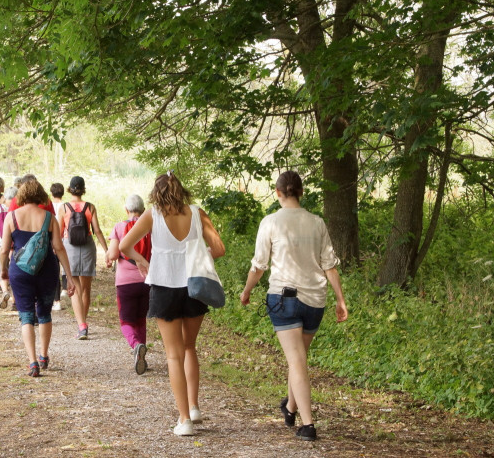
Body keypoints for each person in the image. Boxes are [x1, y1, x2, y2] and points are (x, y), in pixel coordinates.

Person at [240, 170, 348, 442]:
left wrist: (246, 290)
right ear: (301, 192)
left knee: (297, 360)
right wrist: (340, 299)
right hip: (315, 301)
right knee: (297, 357)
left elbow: (259, 265)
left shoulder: (271, 222)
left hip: (284, 299)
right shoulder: (317, 222)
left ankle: (308, 425)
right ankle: (289, 408)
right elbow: (329, 265)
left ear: (278, 193)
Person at [120, 172, 224, 436]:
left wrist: (142, 262)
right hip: (195, 287)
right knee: (190, 347)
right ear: (182, 190)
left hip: (165, 287)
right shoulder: (198, 213)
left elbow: (124, 245)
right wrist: (200, 254)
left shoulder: (152, 215)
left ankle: (184, 420)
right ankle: (195, 406)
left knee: (173, 355)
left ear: (157, 193)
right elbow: (220, 248)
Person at [0, 178, 76, 377]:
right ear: (41, 195)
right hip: (47, 270)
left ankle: (32, 361)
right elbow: (58, 248)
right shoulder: (50, 218)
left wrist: (3, 271)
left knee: (26, 316)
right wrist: (69, 275)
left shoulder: (11, 217)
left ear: (21, 196)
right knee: (44, 314)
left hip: (20, 272)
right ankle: (43, 355)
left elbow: (5, 249)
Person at [57, 176, 110, 339]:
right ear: (83, 188)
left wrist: (56, 251)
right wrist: (107, 251)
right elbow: (98, 231)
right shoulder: (90, 207)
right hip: (87, 246)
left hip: (69, 247)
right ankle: (83, 324)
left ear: (69, 188)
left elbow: (59, 232)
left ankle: (81, 326)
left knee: (74, 288)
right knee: (86, 289)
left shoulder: (63, 207)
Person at [105, 194, 151, 374]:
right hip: (147, 279)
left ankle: (136, 345)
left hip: (125, 282)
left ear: (126, 209)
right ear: (143, 209)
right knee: (141, 319)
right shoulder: (150, 227)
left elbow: (114, 254)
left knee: (126, 321)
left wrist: (108, 258)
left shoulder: (119, 227)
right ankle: (142, 355)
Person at [49, 182, 66, 311]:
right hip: (67, 239)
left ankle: (56, 300)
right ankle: (65, 289)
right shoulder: (66, 206)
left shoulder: (48, 205)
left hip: (54, 239)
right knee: (65, 266)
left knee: (55, 269)